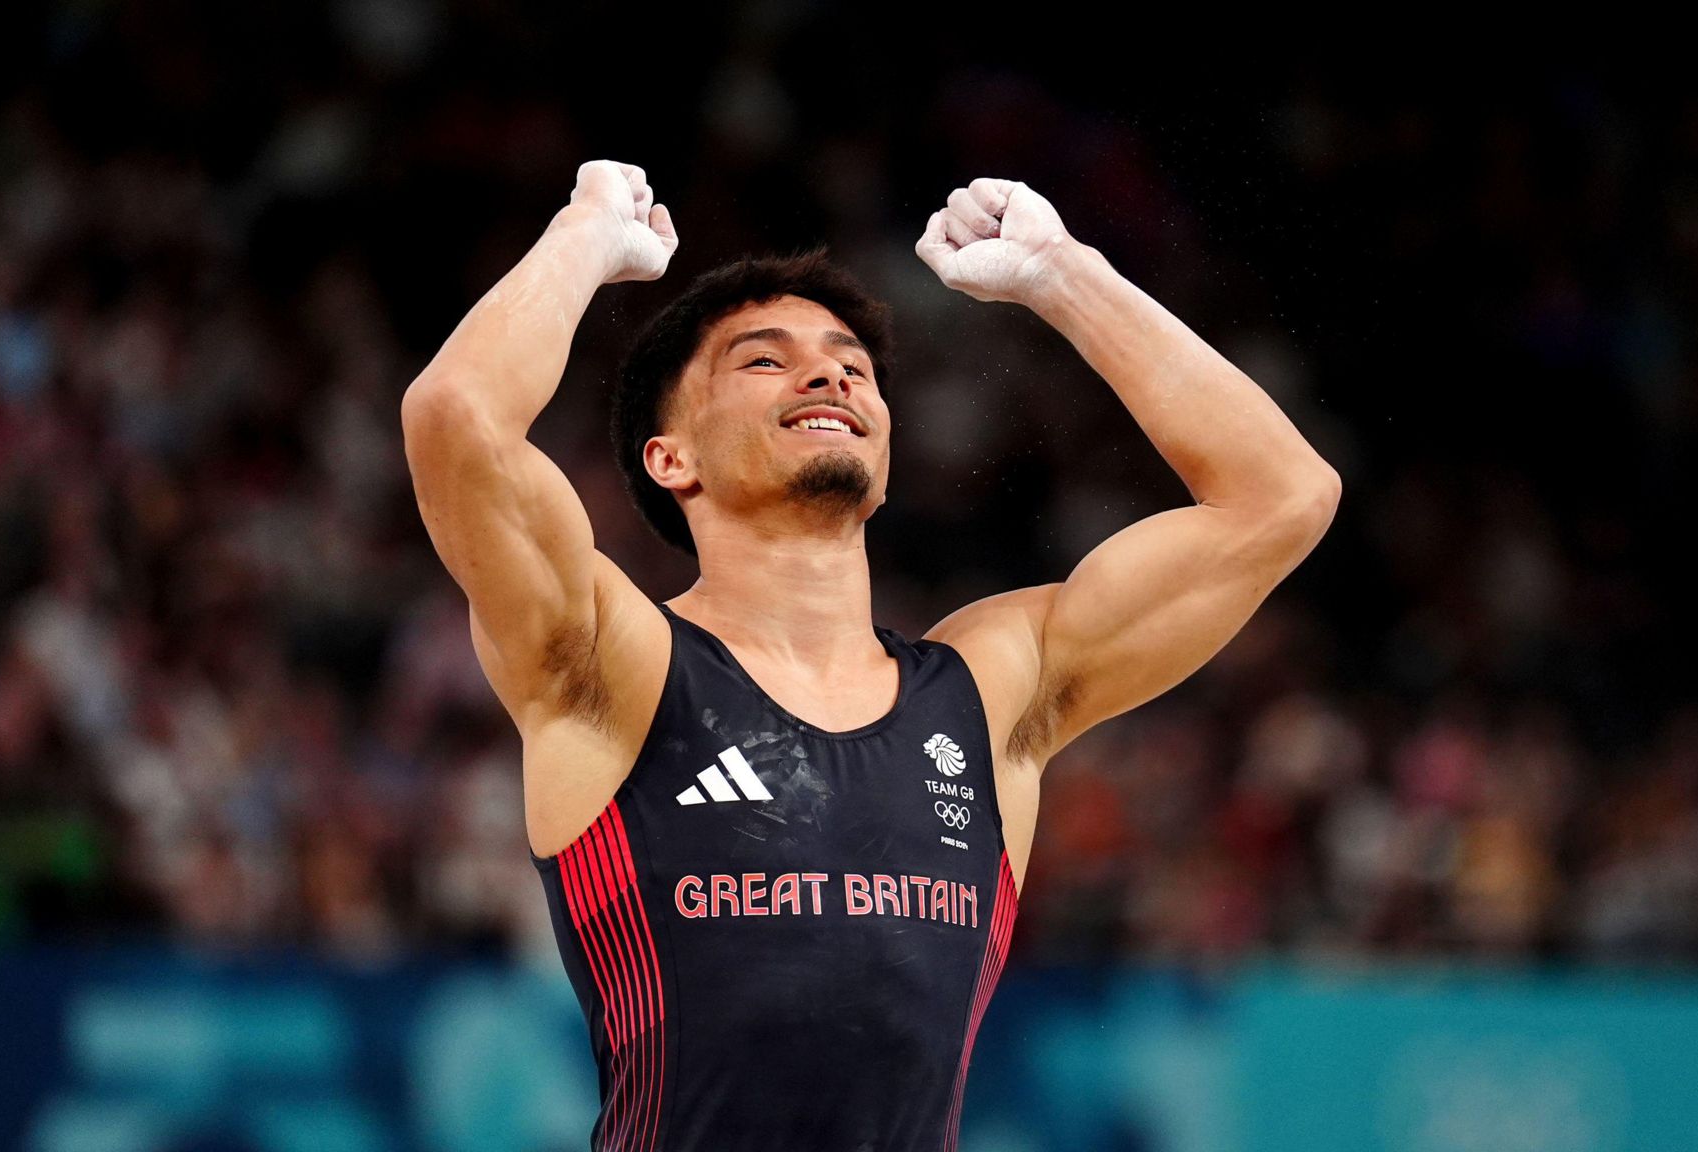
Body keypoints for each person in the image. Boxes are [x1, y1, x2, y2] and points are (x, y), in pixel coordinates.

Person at [400, 159, 1339, 1152]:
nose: (829, 373)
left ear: (884, 453)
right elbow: (456, 418)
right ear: (671, 456)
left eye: (850, 362)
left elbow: (1280, 496)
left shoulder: (989, 689)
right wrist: (583, 236)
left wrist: (1065, 274)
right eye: (763, 360)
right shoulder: (613, 667)